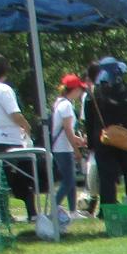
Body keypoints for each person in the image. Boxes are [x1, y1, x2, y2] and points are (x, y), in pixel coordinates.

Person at [0, 54, 40, 222]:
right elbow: (14, 114)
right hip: (10, 140)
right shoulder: (4, 89)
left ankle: (3, 214)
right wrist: (26, 126)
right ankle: (32, 213)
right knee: (23, 177)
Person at [86, 56, 127, 210]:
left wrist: (91, 145)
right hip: (126, 139)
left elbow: (90, 122)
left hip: (103, 140)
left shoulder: (93, 95)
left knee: (107, 178)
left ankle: (107, 209)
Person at [49, 74, 86, 222]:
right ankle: (54, 208)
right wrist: (77, 150)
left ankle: (73, 211)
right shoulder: (66, 106)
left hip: (63, 147)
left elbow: (64, 131)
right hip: (63, 149)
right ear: (75, 89)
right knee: (69, 181)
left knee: (70, 180)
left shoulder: (60, 103)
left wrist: (78, 141)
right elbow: (68, 130)